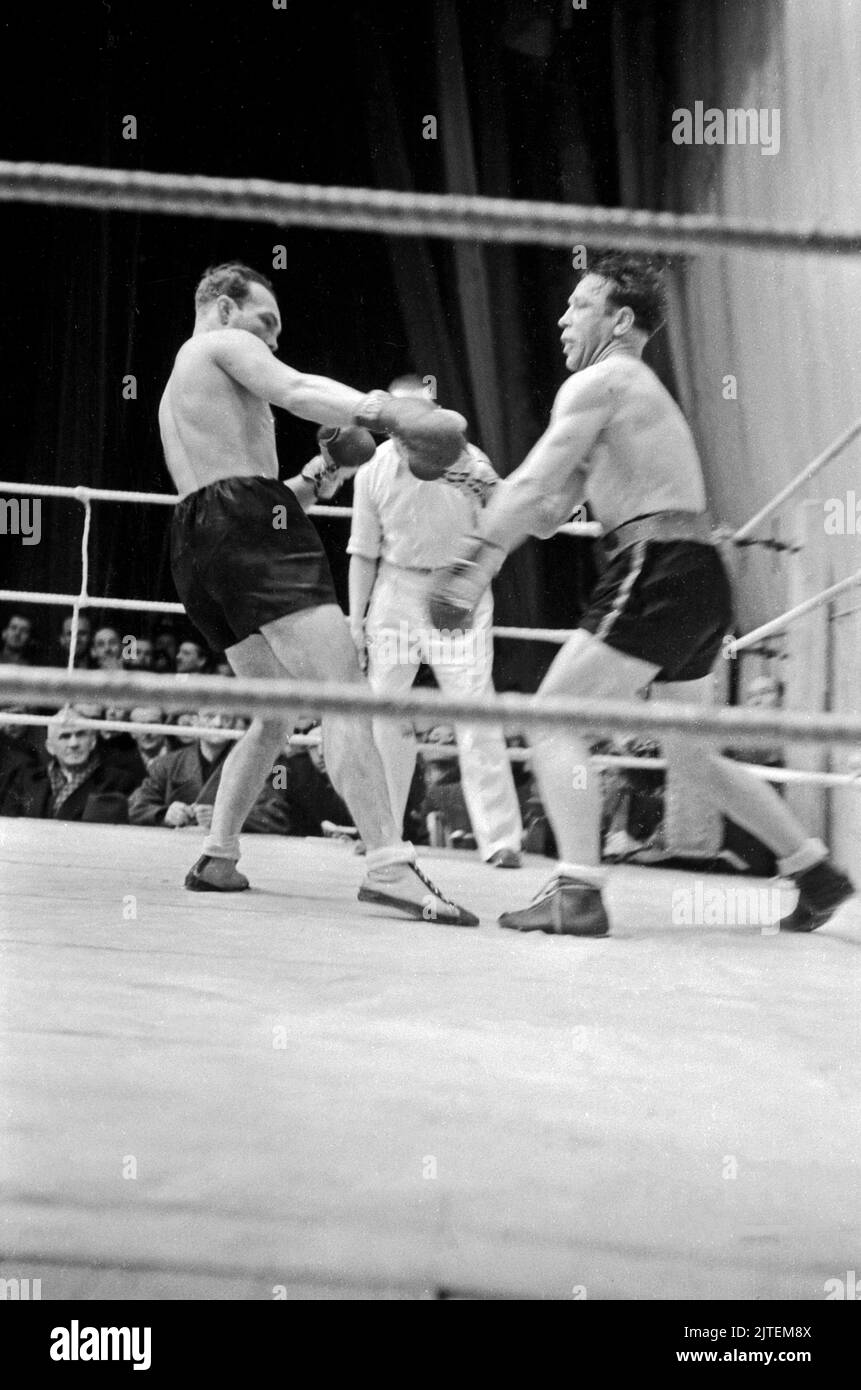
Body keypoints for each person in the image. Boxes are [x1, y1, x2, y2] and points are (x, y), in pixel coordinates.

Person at [430, 251, 854, 936]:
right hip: (693, 575)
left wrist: (474, 560)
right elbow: (545, 511)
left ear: (619, 318)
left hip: (656, 563)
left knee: (550, 719)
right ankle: (814, 871)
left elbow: (536, 489)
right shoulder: (621, 394)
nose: (562, 318)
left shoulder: (604, 379)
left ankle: (577, 890)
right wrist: (484, 488)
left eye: (579, 305)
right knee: (688, 753)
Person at [158, 261, 477, 924]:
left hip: (195, 544)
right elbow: (296, 389)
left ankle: (218, 853)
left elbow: (237, 497)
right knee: (342, 692)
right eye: (263, 320)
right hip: (239, 523)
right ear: (221, 305)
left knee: (274, 713)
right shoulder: (220, 343)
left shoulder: (179, 391)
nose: (270, 340)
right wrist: (392, 413)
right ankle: (389, 864)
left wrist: (321, 473)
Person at [347, 376, 523, 868]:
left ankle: (501, 839)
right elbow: (363, 552)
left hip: (458, 585)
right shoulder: (373, 471)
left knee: (474, 707)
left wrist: (470, 578)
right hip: (396, 586)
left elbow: (509, 521)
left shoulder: (472, 464)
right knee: (386, 709)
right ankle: (382, 831)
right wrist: (355, 620)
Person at [0, 706, 136, 821]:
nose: (74, 744)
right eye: (64, 736)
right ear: (50, 747)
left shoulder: (118, 781)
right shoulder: (25, 778)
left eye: (80, 735)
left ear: (93, 741)